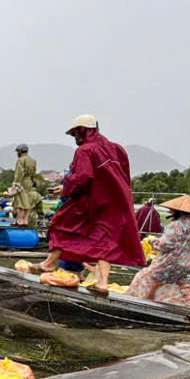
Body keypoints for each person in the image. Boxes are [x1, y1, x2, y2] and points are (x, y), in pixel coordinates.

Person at [32, 115, 145, 294]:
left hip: (93, 201)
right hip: (117, 203)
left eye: (75, 133)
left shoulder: (85, 150)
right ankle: (102, 283)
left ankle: (49, 263)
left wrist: (66, 187)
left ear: (82, 131)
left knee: (62, 225)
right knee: (105, 241)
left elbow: (83, 177)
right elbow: (123, 176)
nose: (75, 138)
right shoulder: (117, 149)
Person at [127, 195, 190, 308]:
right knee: (179, 285)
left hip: (172, 264)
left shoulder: (177, 224)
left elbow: (166, 244)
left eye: (172, 210)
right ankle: (184, 307)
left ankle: (134, 302)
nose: (170, 211)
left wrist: (153, 242)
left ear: (178, 211)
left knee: (144, 277)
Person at [11, 144, 43, 226]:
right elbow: (34, 173)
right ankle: (25, 220)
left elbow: (19, 172)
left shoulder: (21, 160)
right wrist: (32, 181)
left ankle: (20, 220)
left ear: (20, 151)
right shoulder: (33, 160)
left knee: (19, 201)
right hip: (30, 182)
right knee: (28, 201)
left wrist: (16, 184)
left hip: (22, 181)